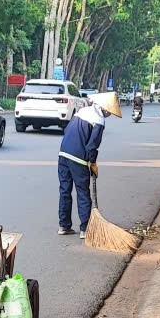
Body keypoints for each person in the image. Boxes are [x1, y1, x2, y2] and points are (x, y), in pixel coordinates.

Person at [58, 100, 117, 239]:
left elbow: (67, 130)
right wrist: (93, 162)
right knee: (83, 192)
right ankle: (85, 228)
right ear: (106, 109)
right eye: (110, 113)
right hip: (78, 159)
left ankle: (64, 225)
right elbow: (92, 146)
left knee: (65, 190)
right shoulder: (99, 120)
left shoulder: (82, 111)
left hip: (63, 154)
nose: (109, 115)